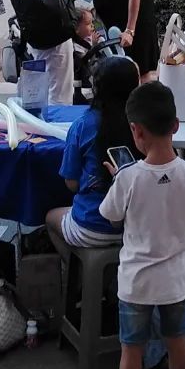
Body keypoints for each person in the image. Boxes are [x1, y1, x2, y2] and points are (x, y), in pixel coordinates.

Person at [93, 81, 185, 369]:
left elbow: (110, 216)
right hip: (177, 282)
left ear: (136, 131)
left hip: (136, 283)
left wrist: (119, 180)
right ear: (176, 125)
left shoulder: (127, 178)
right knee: (178, 343)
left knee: (132, 349)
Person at [46, 56, 140, 248]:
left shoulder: (82, 125)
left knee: (50, 217)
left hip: (91, 225)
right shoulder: (144, 123)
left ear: (96, 89)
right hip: (140, 226)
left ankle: (75, 271)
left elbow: (71, 183)